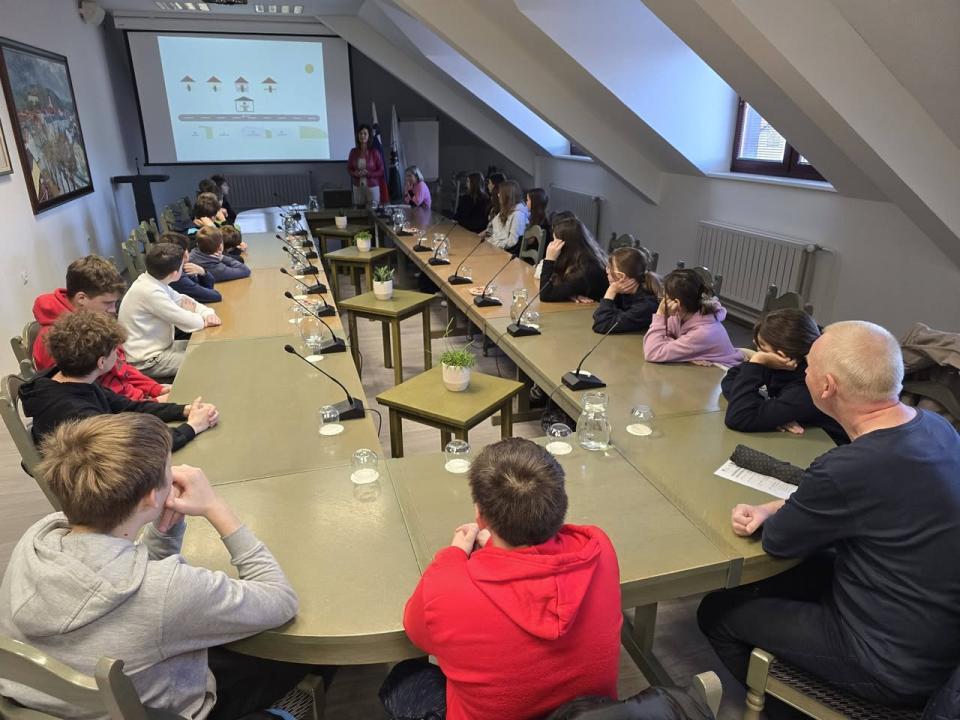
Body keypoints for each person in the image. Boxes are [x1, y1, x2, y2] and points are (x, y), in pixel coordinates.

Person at [698, 321, 960, 714]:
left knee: (717, 612)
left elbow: (779, 541)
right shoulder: (937, 428)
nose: (803, 373)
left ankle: (788, 710)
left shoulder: (848, 467)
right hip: (938, 636)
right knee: (793, 575)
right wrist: (773, 507)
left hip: (885, 661)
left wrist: (772, 513)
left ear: (826, 387)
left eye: (809, 368)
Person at [0, 412, 331, 719]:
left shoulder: (38, 538)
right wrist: (215, 506)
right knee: (311, 647)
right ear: (150, 497)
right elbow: (280, 600)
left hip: (56, 705)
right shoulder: (169, 590)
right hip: (169, 711)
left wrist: (163, 530)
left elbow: (123, 582)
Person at [380, 438, 622, 720]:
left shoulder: (447, 590)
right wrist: (499, 547)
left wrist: (454, 554)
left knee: (404, 678)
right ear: (561, 504)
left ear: (479, 516)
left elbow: (416, 633)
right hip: (589, 713)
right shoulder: (599, 548)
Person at [20, 311, 216, 451]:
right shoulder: (80, 414)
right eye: (115, 350)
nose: (119, 354)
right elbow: (140, 447)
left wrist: (183, 410)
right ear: (101, 362)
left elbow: (128, 407)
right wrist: (192, 427)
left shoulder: (72, 378)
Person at [31, 255, 168, 401]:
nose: (113, 310)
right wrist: (150, 403)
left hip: (133, 399)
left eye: (115, 303)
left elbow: (120, 366)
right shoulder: (61, 341)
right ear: (81, 298)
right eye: (107, 303)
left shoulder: (95, 322)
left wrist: (156, 389)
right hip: (115, 410)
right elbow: (87, 399)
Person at [721, 308, 848, 444]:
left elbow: (739, 417)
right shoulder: (787, 359)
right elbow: (731, 378)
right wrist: (768, 411)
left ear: (781, 355)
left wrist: (758, 361)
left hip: (828, 444)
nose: (758, 352)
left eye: (761, 348)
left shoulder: (806, 387)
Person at [118, 242, 221, 379]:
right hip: (148, 360)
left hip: (163, 348)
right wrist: (199, 318)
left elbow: (184, 300)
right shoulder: (150, 292)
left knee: (209, 348)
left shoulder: (152, 281)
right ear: (175, 274)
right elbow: (188, 322)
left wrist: (207, 313)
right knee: (205, 361)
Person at [642, 268, 741, 367]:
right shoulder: (680, 315)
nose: (662, 301)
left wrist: (660, 315)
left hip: (723, 371)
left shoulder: (703, 332)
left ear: (677, 303)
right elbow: (658, 341)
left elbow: (652, 352)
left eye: (664, 297)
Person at [592, 246, 661, 333]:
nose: (607, 271)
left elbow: (601, 325)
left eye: (610, 268)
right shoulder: (624, 292)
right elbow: (599, 315)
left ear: (621, 276)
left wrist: (611, 292)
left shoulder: (645, 305)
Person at [540, 214, 608, 302]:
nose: (552, 245)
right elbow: (556, 284)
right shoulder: (582, 257)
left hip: (594, 309)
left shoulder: (585, 268)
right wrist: (568, 294)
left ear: (565, 246)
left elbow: (545, 295)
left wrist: (549, 260)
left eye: (555, 241)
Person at [165, 232, 222, 305]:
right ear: (185, 254)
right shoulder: (177, 276)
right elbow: (214, 296)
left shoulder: (179, 267)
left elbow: (207, 288)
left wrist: (203, 272)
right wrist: (204, 273)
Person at [483, 180, 529, 251]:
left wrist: (493, 243)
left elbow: (513, 241)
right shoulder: (506, 210)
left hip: (506, 252)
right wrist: (488, 241)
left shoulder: (518, 215)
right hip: (497, 247)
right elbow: (495, 232)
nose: (498, 195)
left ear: (507, 196)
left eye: (500, 193)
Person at [346, 124, 385, 208]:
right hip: (357, 187)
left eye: (365, 133)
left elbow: (381, 170)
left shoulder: (374, 152)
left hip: (372, 187)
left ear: (369, 136)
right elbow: (349, 168)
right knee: (359, 212)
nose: (362, 136)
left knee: (373, 212)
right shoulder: (353, 151)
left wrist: (369, 174)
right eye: (360, 133)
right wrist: (355, 173)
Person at [526, 187, 551, 251]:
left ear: (534, 203)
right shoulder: (535, 218)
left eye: (528, 200)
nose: (526, 202)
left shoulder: (542, 224)